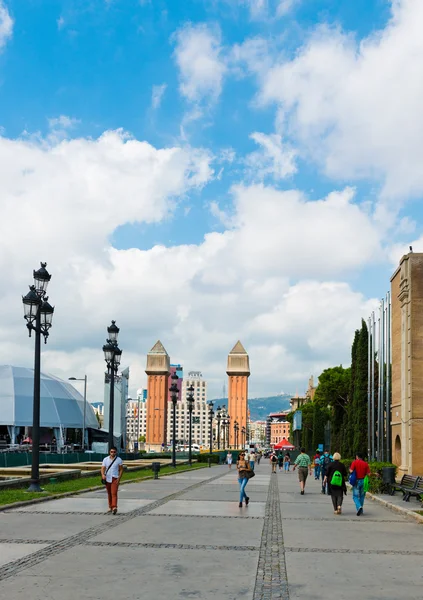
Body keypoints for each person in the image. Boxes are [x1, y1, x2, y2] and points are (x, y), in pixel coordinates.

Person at [101, 446, 123, 515]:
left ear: (116, 452)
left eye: (114, 452)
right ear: (109, 452)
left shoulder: (119, 460)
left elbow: (121, 469)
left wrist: (119, 478)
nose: (113, 453)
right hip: (107, 478)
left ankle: (114, 507)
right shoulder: (105, 459)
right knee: (109, 493)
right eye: (111, 452)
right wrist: (103, 475)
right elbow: (103, 468)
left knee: (114, 493)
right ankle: (110, 507)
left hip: (115, 478)